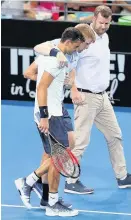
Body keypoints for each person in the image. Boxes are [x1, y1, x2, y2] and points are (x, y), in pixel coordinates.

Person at [34, 5, 131, 195]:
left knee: (115, 136)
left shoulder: (105, 37)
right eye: (101, 22)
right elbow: (59, 57)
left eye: (107, 23)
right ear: (94, 17)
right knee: (80, 142)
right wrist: (74, 89)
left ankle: (122, 176)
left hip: (103, 97)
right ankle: (71, 181)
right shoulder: (80, 36)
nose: (104, 26)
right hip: (85, 97)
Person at [15, 27, 88, 217]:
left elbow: (45, 84)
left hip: (53, 111)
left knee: (56, 156)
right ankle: (42, 194)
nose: (76, 51)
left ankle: (39, 190)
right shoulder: (57, 60)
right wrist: (45, 116)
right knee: (58, 158)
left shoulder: (51, 57)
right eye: (77, 46)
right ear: (69, 42)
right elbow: (41, 88)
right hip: (51, 115)